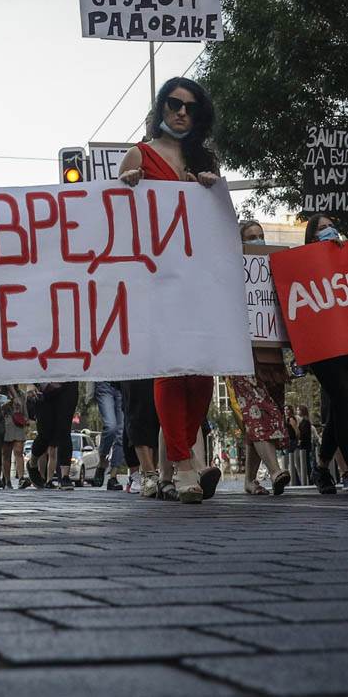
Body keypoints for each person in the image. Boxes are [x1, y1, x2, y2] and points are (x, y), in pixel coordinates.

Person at [120, 77, 222, 504]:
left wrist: (212, 190)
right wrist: (125, 186)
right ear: (161, 107)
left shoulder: (206, 159)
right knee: (170, 368)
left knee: (200, 373)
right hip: (155, 277)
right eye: (175, 104)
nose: (182, 112)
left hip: (198, 279)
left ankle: (171, 468)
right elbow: (115, 220)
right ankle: (183, 466)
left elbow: (218, 223)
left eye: (191, 108)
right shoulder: (138, 155)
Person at [227, 220, 291, 496]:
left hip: (271, 356)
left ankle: (250, 480)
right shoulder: (230, 273)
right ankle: (276, 471)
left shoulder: (278, 267)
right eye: (251, 237)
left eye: (260, 236)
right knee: (260, 412)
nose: (257, 240)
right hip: (241, 354)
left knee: (265, 414)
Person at [300, 214, 348, 494]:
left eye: (331, 226)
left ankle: (321, 467)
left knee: (343, 403)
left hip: (344, 342)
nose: (329, 230)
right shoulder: (302, 264)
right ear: (312, 236)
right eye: (322, 228)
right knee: (343, 395)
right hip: (321, 346)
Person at [25, 382, 79, 490]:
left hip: (68, 383)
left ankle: (65, 477)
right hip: (43, 385)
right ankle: (32, 463)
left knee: (64, 429)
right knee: (45, 434)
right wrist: (30, 383)